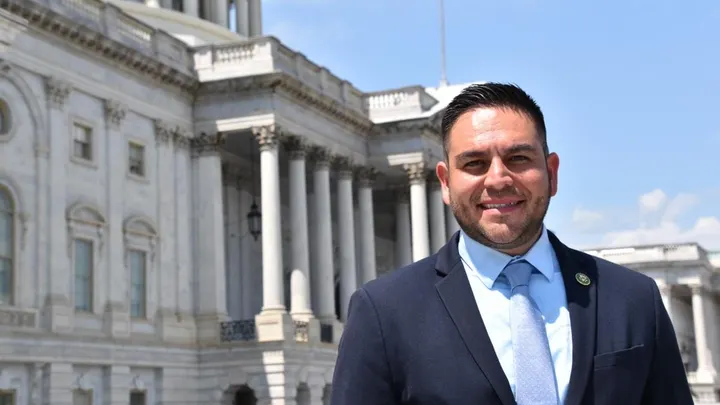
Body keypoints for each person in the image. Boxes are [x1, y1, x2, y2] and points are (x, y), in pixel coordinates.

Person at [330, 82, 693, 405]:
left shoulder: (633, 298)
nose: (498, 179)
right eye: (474, 163)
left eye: (518, 158)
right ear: (444, 182)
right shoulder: (384, 312)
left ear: (551, 173)